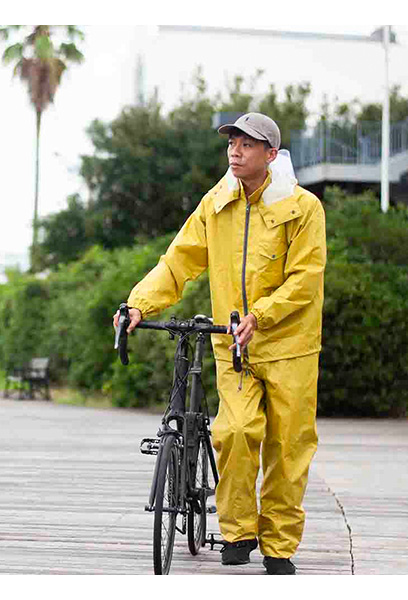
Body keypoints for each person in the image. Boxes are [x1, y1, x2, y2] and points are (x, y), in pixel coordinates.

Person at [113, 112, 326, 575]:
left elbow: (306, 279)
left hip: (290, 344)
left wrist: (260, 315)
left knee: (288, 448)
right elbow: (178, 262)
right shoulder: (216, 203)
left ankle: (279, 546)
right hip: (235, 346)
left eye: (247, 144)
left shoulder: (303, 207)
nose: (235, 151)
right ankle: (237, 531)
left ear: (271, 154)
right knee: (234, 431)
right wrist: (138, 305)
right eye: (231, 142)